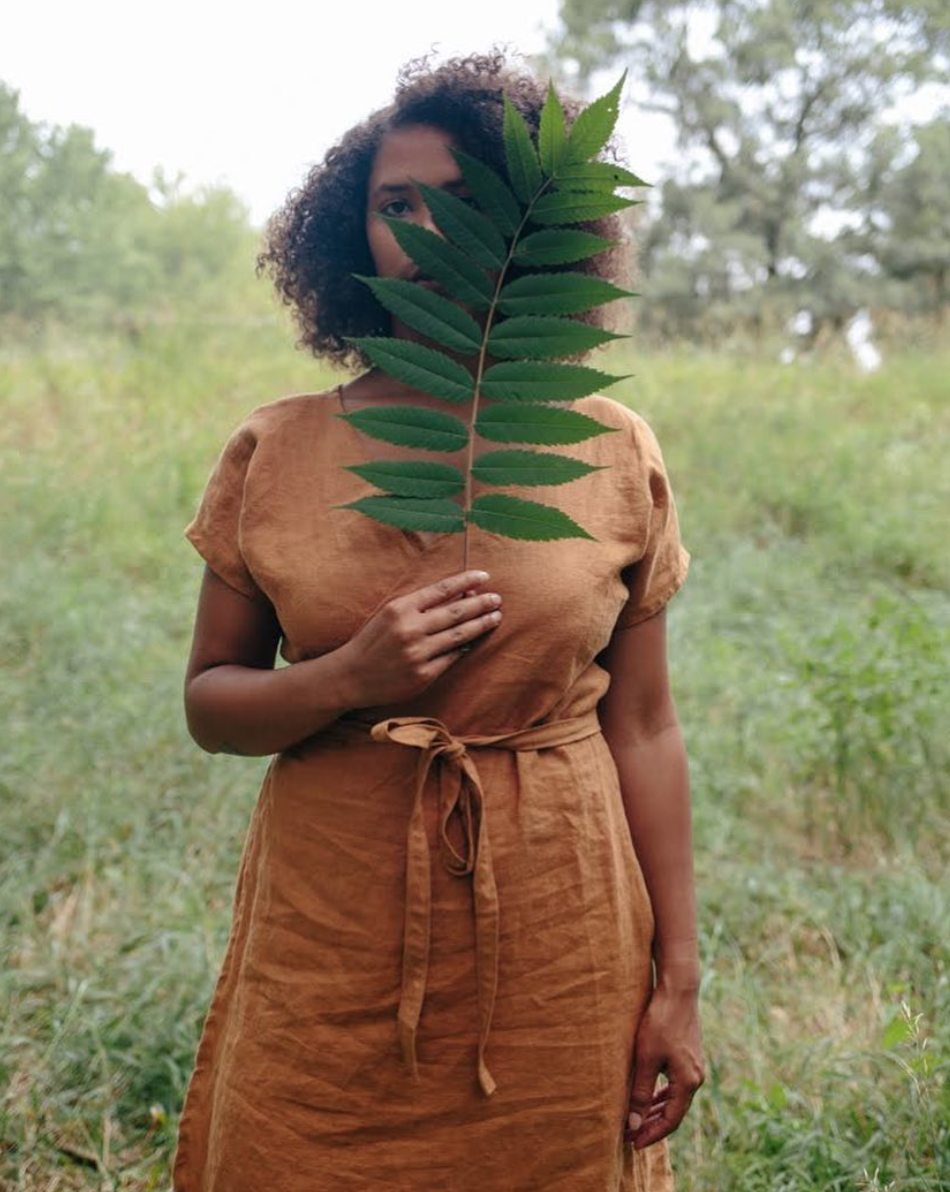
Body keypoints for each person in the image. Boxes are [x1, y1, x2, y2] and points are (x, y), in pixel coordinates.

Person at [174, 51, 704, 1192]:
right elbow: (211, 704)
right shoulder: (275, 450)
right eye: (393, 204)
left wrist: (678, 982)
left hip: (559, 925)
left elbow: (648, 731)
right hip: (333, 924)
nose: (422, 232)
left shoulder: (607, 447)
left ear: (529, 230)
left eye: (462, 207)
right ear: (346, 232)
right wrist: (345, 676)